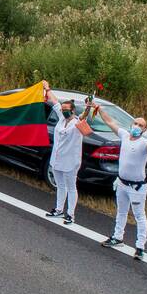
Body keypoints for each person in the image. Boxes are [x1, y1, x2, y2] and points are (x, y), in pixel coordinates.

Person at [96, 106, 147, 260]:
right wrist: (99, 109)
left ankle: (140, 246)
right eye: (135, 123)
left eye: (140, 125)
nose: (136, 126)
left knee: (139, 216)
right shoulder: (123, 135)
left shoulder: (144, 143)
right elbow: (110, 121)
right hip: (122, 184)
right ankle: (117, 237)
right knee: (121, 212)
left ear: (145, 129)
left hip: (137, 187)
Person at [42, 82, 84, 225]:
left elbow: (84, 116)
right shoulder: (61, 118)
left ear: (73, 111)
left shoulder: (77, 123)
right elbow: (54, 101)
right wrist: (47, 89)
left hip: (71, 161)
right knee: (60, 185)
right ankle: (59, 209)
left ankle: (70, 214)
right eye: (63, 109)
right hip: (57, 158)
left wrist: (89, 107)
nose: (64, 111)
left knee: (71, 187)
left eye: (67, 109)